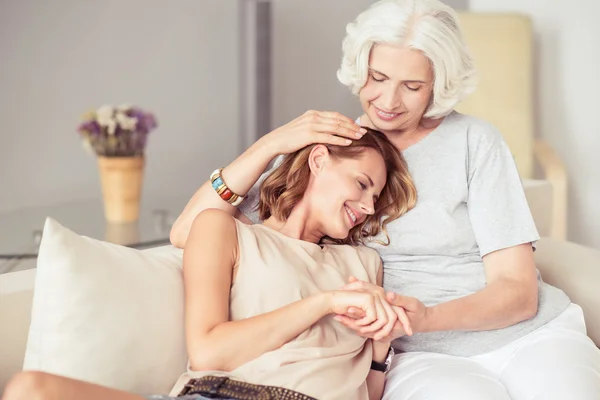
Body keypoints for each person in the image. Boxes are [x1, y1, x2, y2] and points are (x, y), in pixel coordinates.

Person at [169, 1, 600, 399]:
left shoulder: (474, 141)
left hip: (530, 335)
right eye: (377, 79)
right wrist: (270, 144)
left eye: (412, 86)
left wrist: (427, 316)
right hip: (417, 356)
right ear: (361, 69)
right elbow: (191, 231)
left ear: (438, 86)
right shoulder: (335, 151)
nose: (389, 102)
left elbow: (518, 293)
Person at [2, 129, 418, 400]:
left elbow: (364, 389)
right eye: (362, 184)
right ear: (318, 159)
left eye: (375, 199)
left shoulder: (363, 264)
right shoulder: (229, 232)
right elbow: (208, 352)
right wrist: (324, 303)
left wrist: (381, 351)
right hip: (216, 393)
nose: (367, 206)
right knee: (29, 390)